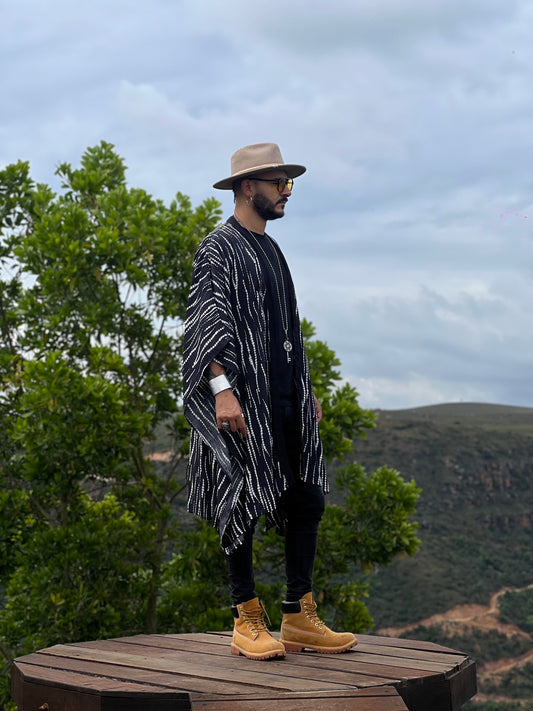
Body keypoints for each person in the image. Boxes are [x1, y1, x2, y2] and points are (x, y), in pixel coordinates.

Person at [183, 143, 356, 660]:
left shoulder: (273, 251)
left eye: (288, 184)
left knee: (306, 497)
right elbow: (206, 324)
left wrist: (306, 390)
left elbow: (285, 332)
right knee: (241, 498)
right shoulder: (219, 247)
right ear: (245, 187)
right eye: (277, 183)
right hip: (240, 401)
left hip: (284, 396)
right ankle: (246, 617)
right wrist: (222, 392)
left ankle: (298, 615)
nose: (285, 192)